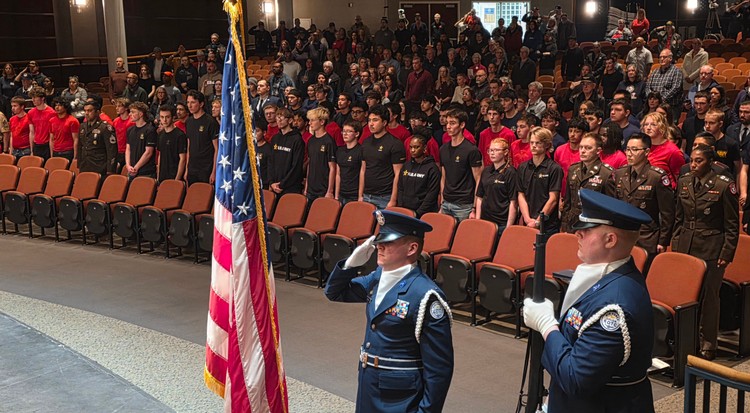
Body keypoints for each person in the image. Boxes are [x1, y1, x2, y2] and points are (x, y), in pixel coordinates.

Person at [523, 189, 655, 413]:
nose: (578, 235)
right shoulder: (609, 278)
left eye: (587, 230)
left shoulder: (615, 307)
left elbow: (577, 378)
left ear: (610, 239)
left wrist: (547, 327)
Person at [324, 209, 454, 412]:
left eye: (388, 242)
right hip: (369, 386)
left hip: (401, 399)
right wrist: (351, 264)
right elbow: (334, 292)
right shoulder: (376, 278)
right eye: (379, 241)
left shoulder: (425, 295)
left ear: (412, 248)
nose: (379, 246)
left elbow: (439, 369)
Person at [672, 144, 739, 360]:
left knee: (709, 297)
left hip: (711, 247)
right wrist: (675, 243)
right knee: (686, 296)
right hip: (686, 246)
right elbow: (679, 218)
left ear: (709, 162)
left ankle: (708, 343)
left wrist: (727, 253)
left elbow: (731, 225)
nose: (693, 164)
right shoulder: (684, 182)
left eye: (698, 160)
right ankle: (685, 340)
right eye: (692, 160)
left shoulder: (723, 186)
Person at [612, 133, 674, 256]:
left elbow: (667, 213)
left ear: (646, 152)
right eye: (627, 149)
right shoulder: (619, 173)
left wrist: (663, 241)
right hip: (623, 235)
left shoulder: (656, 176)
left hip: (646, 237)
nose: (629, 153)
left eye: (634, 149)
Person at [561, 133, 615, 232]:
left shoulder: (606, 173)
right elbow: (568, 202)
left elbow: (610, 208)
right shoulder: (573, 169)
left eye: (588, 148)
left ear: (598, 151)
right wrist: (564, 224)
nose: (583, 151)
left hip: (593, 224)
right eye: (581, 147)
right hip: (572, 223)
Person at [439, 108, 482, 222]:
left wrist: (474, 207)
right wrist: (442, 200)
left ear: (462, 125)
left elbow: (478, 179)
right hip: (446, 202)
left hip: (464, 205)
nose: (448, 126)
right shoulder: (443, 149)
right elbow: (443, 177)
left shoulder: (471, 150)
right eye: (447, 123)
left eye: (452, 123)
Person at [360, 105, 406, 209]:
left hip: (385, 197)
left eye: (375, 120)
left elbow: (398, 174)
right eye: (369, 120)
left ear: (384, 123)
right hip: (367, 195)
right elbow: (363, 169)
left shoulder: (395, 143)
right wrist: (360, 195)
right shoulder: (366, 142)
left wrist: (393, 200)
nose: (371, 124)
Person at [518, 127, 563, 232]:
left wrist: (538, 221)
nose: (533, 146)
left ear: (547, 145)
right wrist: (527, 219)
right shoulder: (523, 167)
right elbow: (521, 195)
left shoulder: (554, 168)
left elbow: (553, 199)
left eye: (537, 143)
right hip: (527, 222)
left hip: (548, 225)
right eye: (531, 142)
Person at [474, 137, 518, 234]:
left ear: (505, 152)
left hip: (501, 223)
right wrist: (478, 220)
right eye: (490, 150)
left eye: (496, 150)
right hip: (485, 220)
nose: (492, 153)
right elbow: (480, 197)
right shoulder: (486, 171)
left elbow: (513, 202)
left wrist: (508, 228)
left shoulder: (511, 172)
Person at [398, 130, 441, 217]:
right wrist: (401, 207)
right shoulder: (406, 166)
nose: (412, 150)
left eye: (416, 147)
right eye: (410, 147)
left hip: (423, 214)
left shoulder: (432, 168)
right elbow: (400, 188)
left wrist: (418, 213)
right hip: (405, 211)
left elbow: (431, 195)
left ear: (424, 148)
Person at [184, 90, 219, 185]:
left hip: (206, 168)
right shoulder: (189, 122)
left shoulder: (210, 122)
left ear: (201, 104)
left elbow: (217, 148)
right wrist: (187, 169)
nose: (189, 106)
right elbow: (189, 146)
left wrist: (214, 172)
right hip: (192, 167)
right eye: (188, 102)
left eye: (193, 102)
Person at [269, 107, 305, 195]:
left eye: (282, 118)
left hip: (290, 187)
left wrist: (282, 184)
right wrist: (271, 182)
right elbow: (270, 162)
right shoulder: (275, 138)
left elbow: (296, 166)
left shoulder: (297, 140)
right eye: (277, 118)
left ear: (290, 120)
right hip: (274, 186)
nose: (279, 121)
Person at [304, 107, 337, 202]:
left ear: (322, 122)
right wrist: (306, 187)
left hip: (323, 189)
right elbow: (310, 164)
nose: (310, 123)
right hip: (310, 188)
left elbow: (332, 167)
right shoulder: (310, 140)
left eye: (313, 120)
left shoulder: (329, 141)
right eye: (309, 120)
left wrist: (330, 191)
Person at [77, 101, 117, 175]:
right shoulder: (82, 126)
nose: (86, 113)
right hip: (85, 165)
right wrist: (79, 163)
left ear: (97, 112)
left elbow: (111, 150)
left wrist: (110, 169)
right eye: (85, 110)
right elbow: (80, 146)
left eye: (89, 110)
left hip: (100, 166)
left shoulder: (105, 127)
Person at [125, 101, 157, 179]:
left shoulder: (150, 130)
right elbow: (128, 149)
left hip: (146, 172)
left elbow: (148, 152)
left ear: (141, 114)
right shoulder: (130, 130)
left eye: (133, 112)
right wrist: (128, 165)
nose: (130, 114)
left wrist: (136, 167)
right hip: (131, 170)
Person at [156, 104, 187, 182]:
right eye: (162, 117)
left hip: (174, 175)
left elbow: (183, 159)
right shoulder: (161, 134)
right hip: (162, 176)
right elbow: (160, 155)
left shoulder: (180, 135)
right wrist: (158, 177)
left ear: (173, 117)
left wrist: (177, 179)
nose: (164, 120)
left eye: (167, 117)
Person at [335, 119, 363, 205]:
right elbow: (338, 174)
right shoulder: (340, 150)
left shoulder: (361, 150)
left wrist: (360, 196)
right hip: (341, 194)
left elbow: (363, 173)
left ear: (357, 134)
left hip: (354, 195)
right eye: (343, 131)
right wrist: (336, 195)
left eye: (349, 131)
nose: (345, 134)